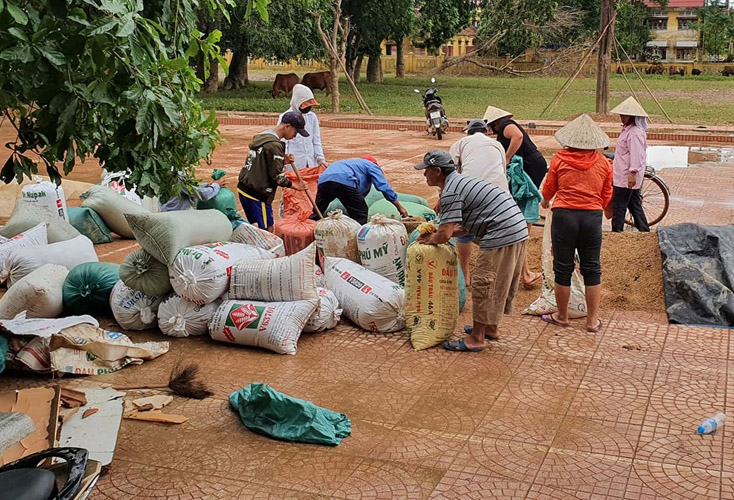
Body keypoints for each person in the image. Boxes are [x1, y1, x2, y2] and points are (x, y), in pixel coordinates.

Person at [415, 150, 528, 352]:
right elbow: (464, 228)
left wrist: (428, 239)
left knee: (484, 283)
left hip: (502, 233)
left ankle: (477, 338)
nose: (424, 175)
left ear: (438, 171)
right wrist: (441, 234)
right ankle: (490, 328)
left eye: (426, 171)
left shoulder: (451, 191)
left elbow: (445, 234)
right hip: (516, 229)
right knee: (498, 282)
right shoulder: (460, 182)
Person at [540, 114, 613, 333]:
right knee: (592, 268)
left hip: (564, 217)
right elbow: (607, 194)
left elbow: (549, 189)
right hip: (591, 218)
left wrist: (544, 202)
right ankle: (591, 322)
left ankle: (562, 316)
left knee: (563, 267)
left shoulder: (560, 160)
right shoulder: (603, 163)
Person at [483, 105, 547, 288]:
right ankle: (523, 268)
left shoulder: (506, 125)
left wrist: (508, 156)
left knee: (522, 210)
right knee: (521, 210)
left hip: (531, 166)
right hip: (531, 166)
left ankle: (522, 233)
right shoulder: (501, 130)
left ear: (494, 122)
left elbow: (518, 137)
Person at [448, 119, 509, 287]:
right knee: (498, 234)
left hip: (471, 194)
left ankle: (465, 275)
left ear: (468, 132)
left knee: (464, 232)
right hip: (500, 197)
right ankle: (496, 276)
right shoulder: (497, 145)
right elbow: (502, 171)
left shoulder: (459, 143)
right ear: (487, 132)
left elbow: (450, 172)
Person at [237, 111, 308, 232]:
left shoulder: (263, 137)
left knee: (257, 225)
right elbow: (277, 176)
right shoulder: (275, 145)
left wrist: (282, 161)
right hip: (258, 193)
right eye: (295, 132)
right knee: (267, 229)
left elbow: (264, 162)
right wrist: (296, 185)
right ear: (287, 126)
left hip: (244, 187)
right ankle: (264, 251)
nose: (295, 136)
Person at [312, 155, 409, 224]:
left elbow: (356, 193)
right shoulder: (371, 165)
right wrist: (399, 207)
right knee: (361, 212)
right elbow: (383, 186)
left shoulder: (351, 163)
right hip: (344, 180)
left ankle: (307, 234)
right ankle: (358, 239)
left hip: (323, 181)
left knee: (317, 212)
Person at [609, 96, 650, 233]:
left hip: (626, 176)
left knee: (619, 205)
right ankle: (644, 231)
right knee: (634, 205)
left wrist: (632, 173)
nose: (621, 117)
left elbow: (637, 155)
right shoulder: (628, 130)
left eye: (624, 115)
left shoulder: (634, 133)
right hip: (623, 174)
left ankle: (617, 233)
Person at [278, 84, 326, 170]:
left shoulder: (312, 117)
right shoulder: (285, 117)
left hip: (310, 162)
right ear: (297, 102)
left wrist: (320, 158)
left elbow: (316, 140)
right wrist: (283, 163)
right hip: (294, 164)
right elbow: (282, 142)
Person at [159, 178, 225, 212]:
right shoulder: (178, 176)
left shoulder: (168, 172)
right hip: (176, 216)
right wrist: (216, 185)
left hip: (167, 212)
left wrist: (205, 185)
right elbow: (204, 195)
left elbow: (188, 188)